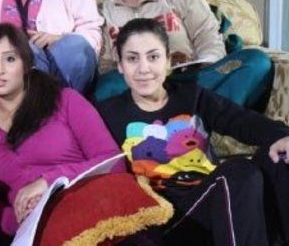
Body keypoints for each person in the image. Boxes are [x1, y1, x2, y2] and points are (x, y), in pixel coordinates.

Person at [96, 18, 289, 245]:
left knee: (279, 155)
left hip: (216, 199)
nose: (144, 69)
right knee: (240, 172)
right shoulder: (107, 113)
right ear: (120, 65)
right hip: (169, 220)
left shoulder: (192, 95)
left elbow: (241, 120)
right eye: (132, 59)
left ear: (168, 60)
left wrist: (282, 136)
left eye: (153, 57)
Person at [0, 24, 122, 237]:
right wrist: (14, 222)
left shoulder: (65, 100)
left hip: (92, 210)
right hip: (34, 232)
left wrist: (50, 181)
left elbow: (114, 161)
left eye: (10, 59)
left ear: (26, 64)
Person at [94, 0, 272, 109]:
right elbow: (107, 66)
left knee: (256, 60)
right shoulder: (101, 13)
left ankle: (206, 116)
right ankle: (195, 114)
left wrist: (205, 67)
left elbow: (208, 39)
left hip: (192, 79)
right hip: (140, 85)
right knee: (107, 86)